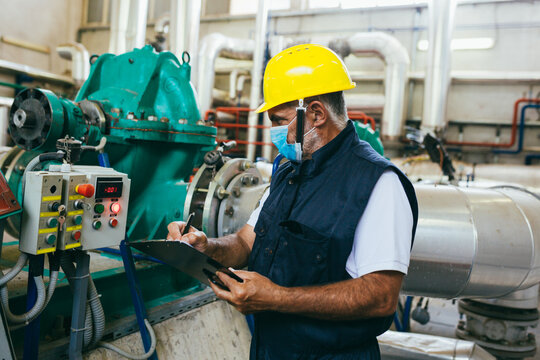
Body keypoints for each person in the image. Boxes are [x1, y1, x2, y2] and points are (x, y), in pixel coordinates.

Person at [167, 44, 418, 359]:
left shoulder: (378, 183)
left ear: (315, 113)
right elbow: (247, 242)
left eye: (278, 120)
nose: (272, 131)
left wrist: (275, 297)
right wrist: (207, 247)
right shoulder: (289, 171)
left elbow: (380, 296)